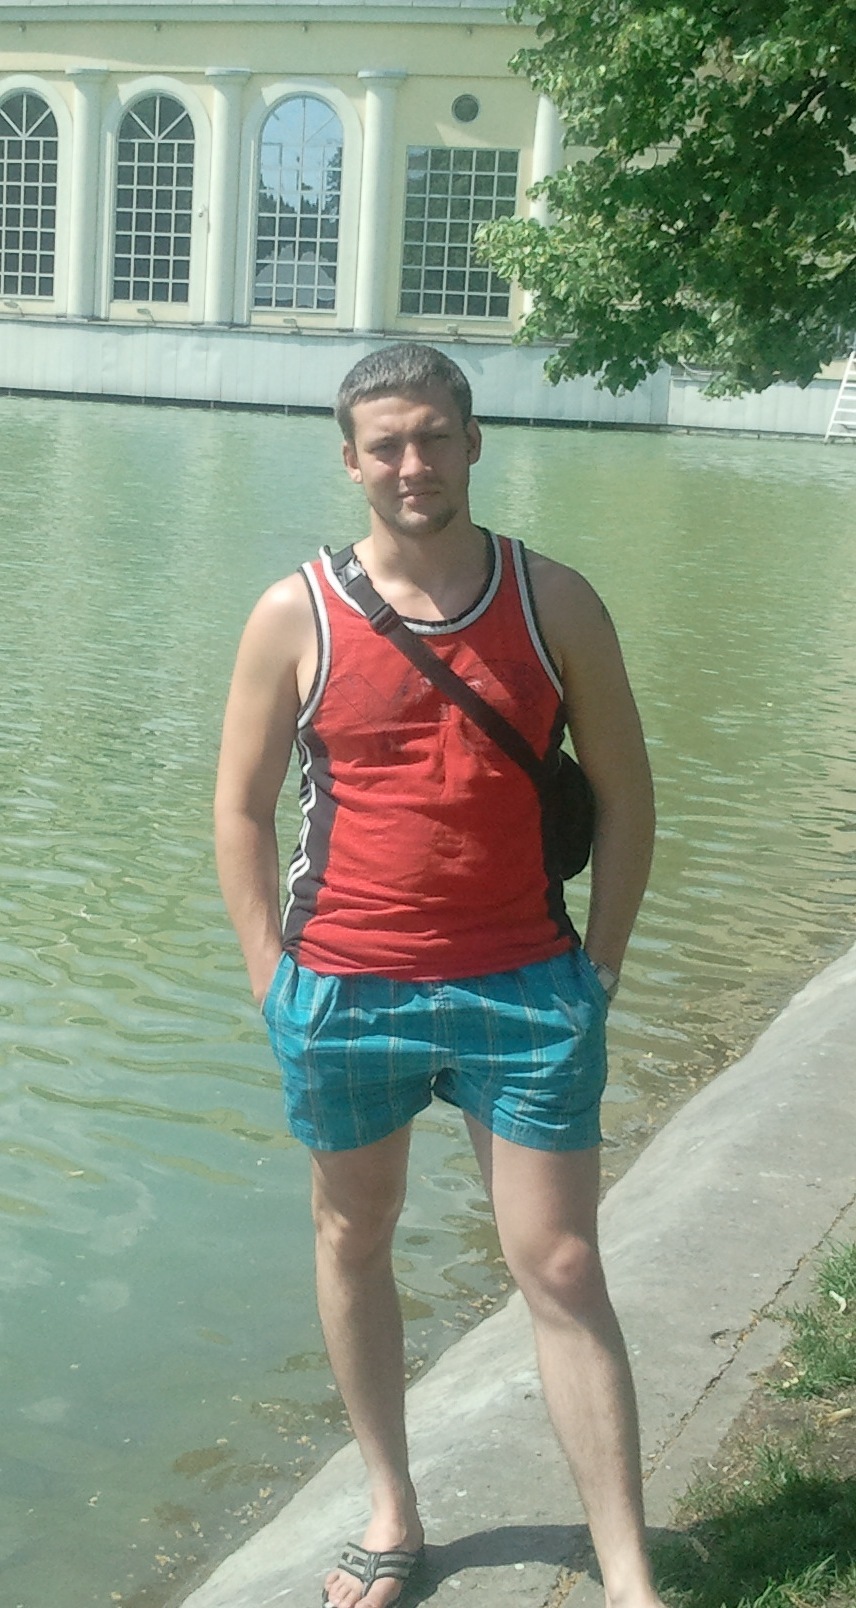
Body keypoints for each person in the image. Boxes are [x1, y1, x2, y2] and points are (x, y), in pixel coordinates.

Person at [214, 343, 662, 1608]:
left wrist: (602, 964)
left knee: (561, 1265)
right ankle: (391, 1508)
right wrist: (269, 977)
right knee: (354, 1235)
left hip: (525, 985)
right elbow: (241, 808)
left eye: (432, 437)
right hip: (344, 988)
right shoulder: (293, 613)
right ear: (350, 461)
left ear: (473, 443)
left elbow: (627, 797)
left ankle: (627, 1573)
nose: (412, 464)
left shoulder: (555, 601)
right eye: (386, 445)